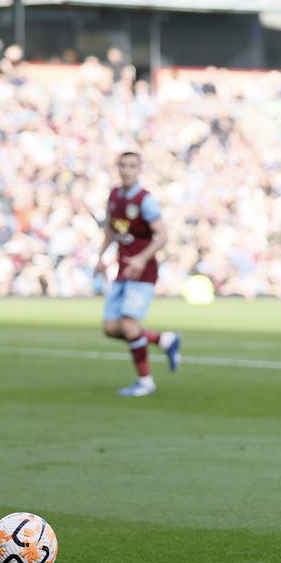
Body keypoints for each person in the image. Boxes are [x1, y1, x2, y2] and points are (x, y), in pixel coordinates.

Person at [93, 152, 181, 397]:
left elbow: (162, 236)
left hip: (142, 271)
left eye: (132, 166)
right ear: (117, 167)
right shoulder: (114, 196)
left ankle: (145, 382)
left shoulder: (146, 200)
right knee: (111, 328)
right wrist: (101, 258)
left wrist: (142, 258)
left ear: (139, 169)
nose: (127, 170)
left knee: (130, 325)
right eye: (123, 165)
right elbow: (111, 230)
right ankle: (164, 340)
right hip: (123, 269)